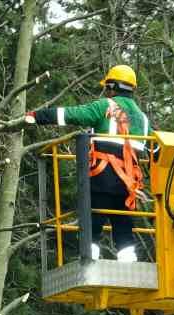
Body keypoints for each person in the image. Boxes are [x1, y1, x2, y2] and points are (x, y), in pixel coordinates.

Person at [26, 64, 151, 262]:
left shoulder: (105, 107)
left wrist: (36, 116)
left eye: (106, 88)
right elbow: (156, 149)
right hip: (128, 186)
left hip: (102, 180)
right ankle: (128, 264)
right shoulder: (143, 120)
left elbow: (70, 115)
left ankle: (88, 261)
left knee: (92, 225)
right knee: (124, 228)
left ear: (112, 87)